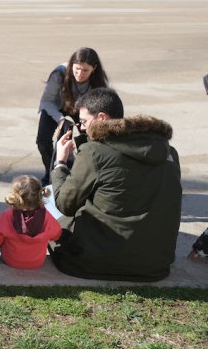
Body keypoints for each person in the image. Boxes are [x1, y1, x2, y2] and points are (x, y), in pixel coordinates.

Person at [51, 87, 182, 281]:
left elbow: (65, 204)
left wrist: (60, 164)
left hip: (93, 263)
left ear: (102, 118)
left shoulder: (95, 152)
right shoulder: (169, 152)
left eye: (84, 122)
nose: (82, 127)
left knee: (50, 207)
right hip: (155, 266)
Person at [37, 47, 109, 185]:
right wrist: (60, 119)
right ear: (71, 65)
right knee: (42, 140)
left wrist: (88, 122)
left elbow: (102, 106)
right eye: (77, 68)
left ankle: (83, 172)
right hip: (57, 106)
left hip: (84, 109)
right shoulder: (59, 74)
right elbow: (46, 101)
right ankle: (51, 172)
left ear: (94, 68)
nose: (80, 74)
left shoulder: (99, 81)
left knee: (89, 139)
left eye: (85, 70)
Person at [0, 175, 62, 270]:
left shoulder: (8, 215)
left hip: (11, 260)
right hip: (37, 262)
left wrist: (0, 242)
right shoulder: (46, 216)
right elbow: (56, 234)